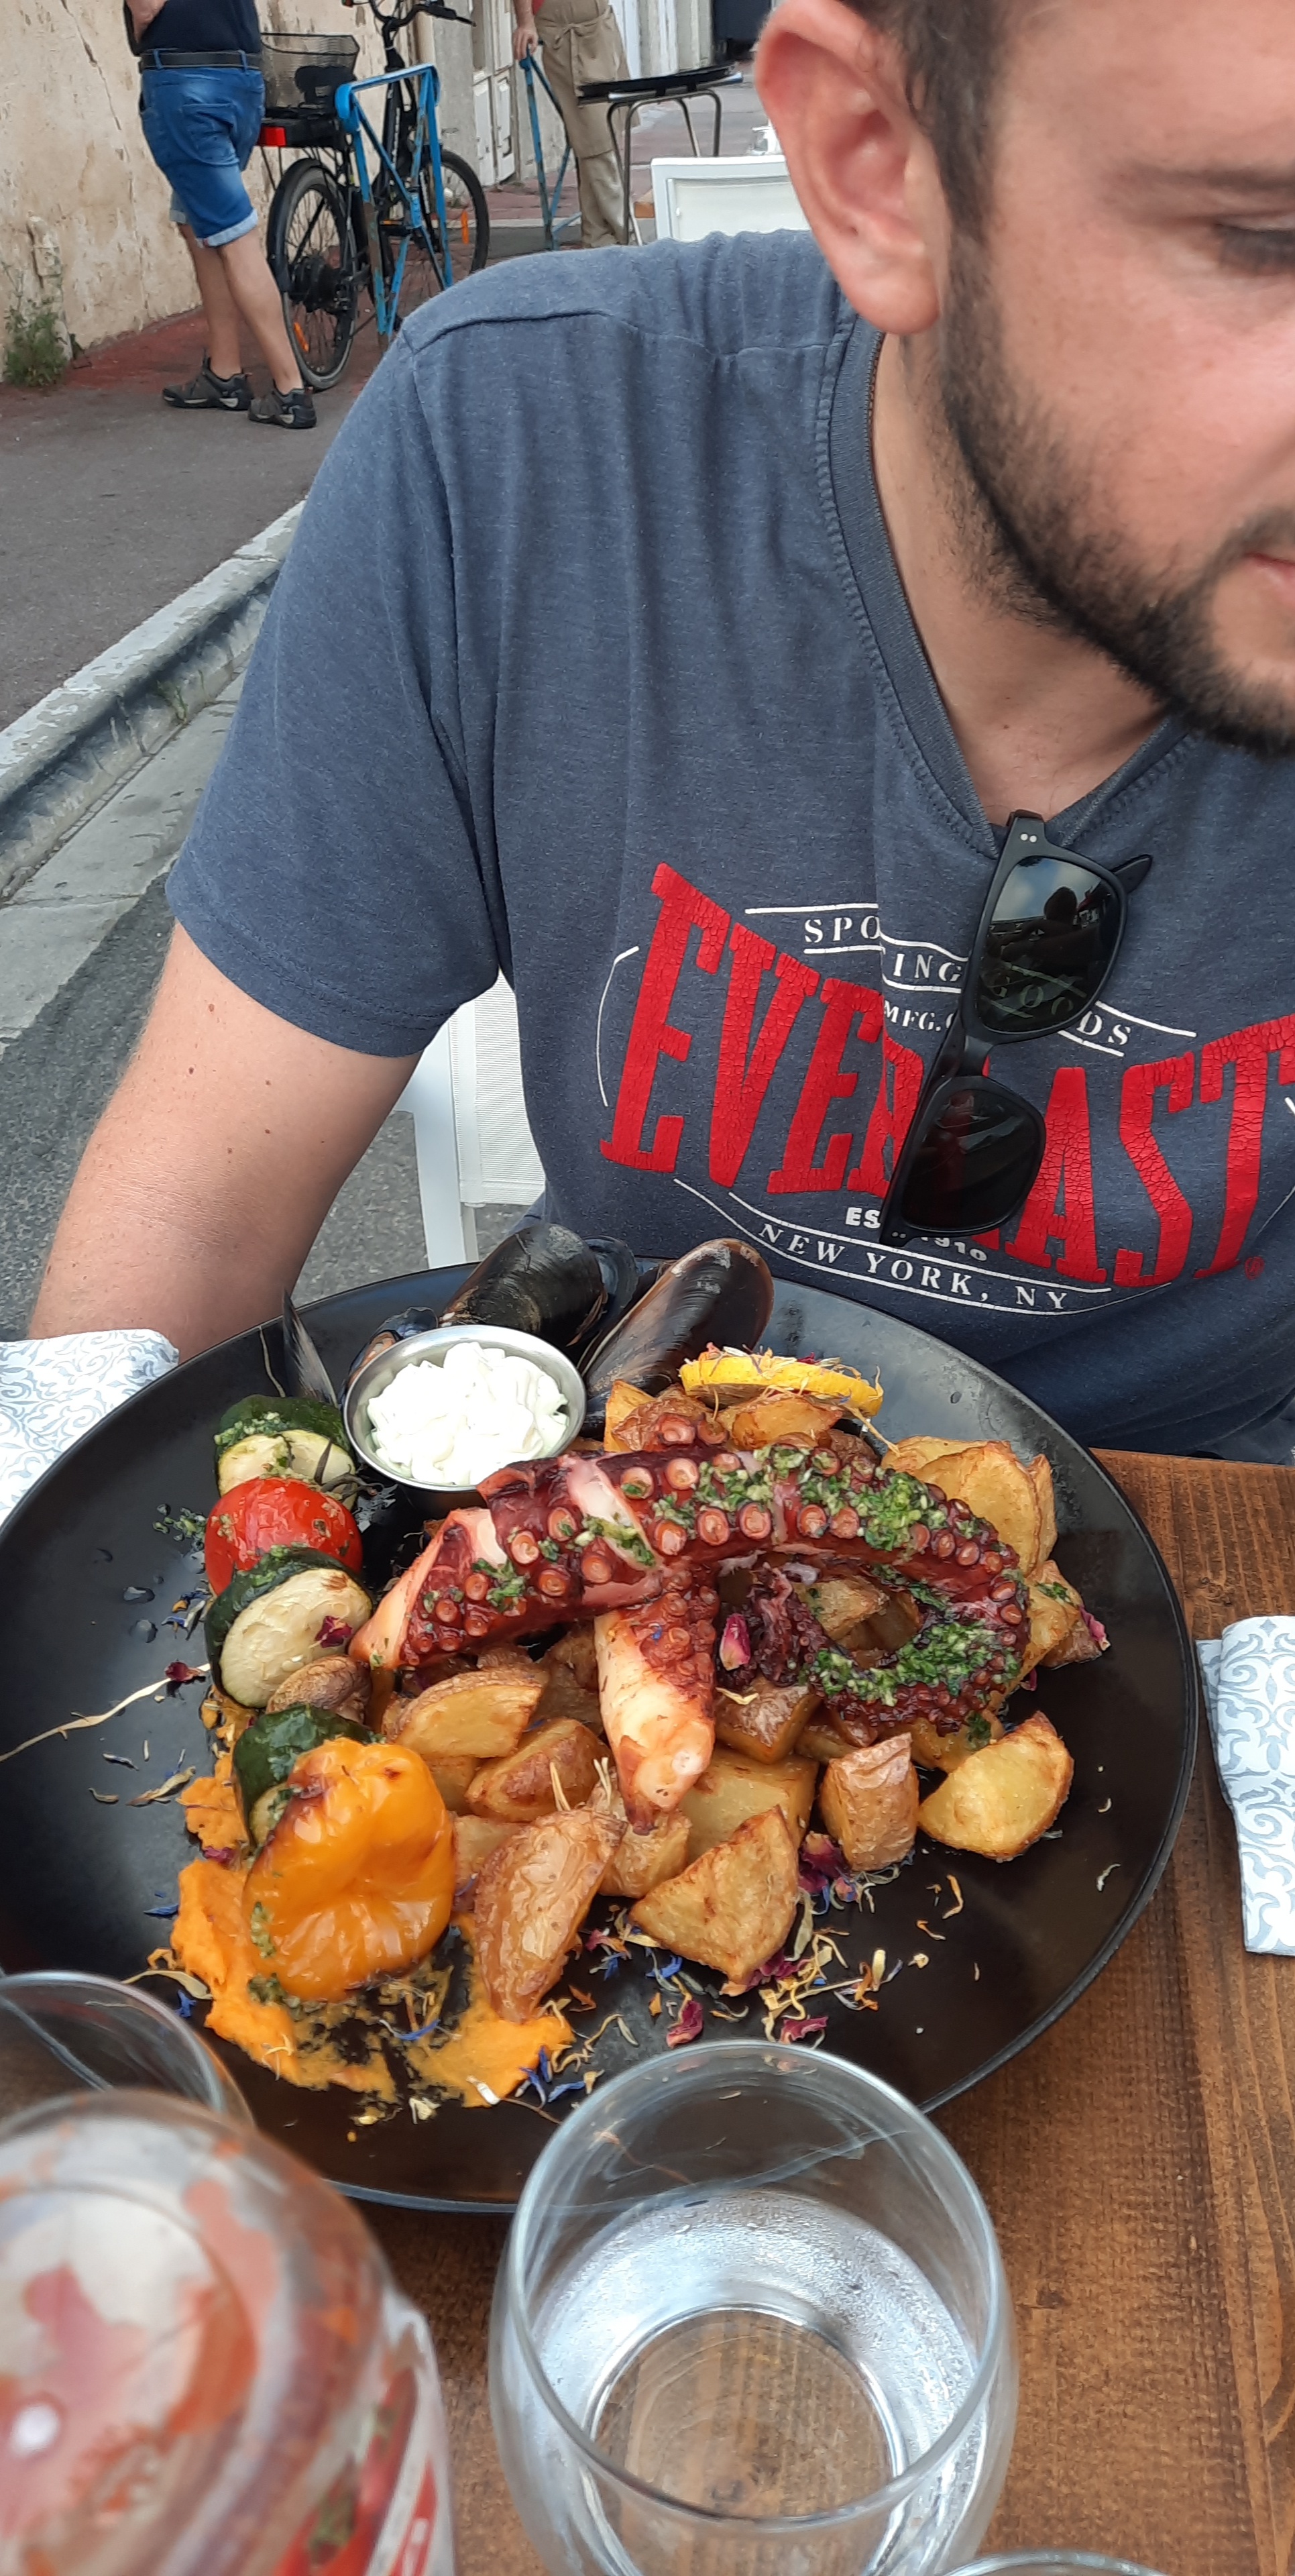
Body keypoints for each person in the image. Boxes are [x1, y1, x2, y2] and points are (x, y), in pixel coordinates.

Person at [32, 0, 1295, 1458]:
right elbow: (196, 1215)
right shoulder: (516, 449)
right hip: (627, 1483)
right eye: (1264, 238)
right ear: (882, 168)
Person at [125, 0, 317, 425]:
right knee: (195, 222)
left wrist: (144, 35)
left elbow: (146, 7)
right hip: (242, 80)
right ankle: (224, 373)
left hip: (186, 82)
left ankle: (290, 392)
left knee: (234, 237)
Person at [512, 0, 629, 248]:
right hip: (566, 30)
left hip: (599, 24)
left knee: (604, 134)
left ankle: (598, 238)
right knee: (595, 139)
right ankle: (627, 236)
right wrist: (525, 22)